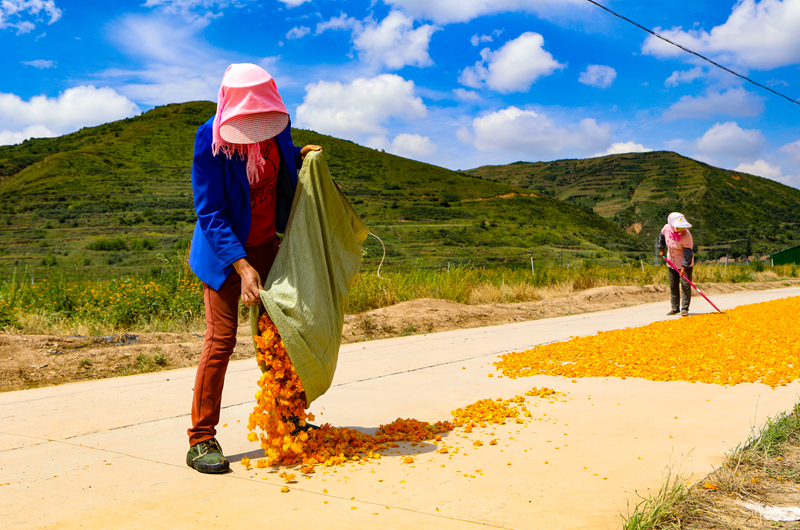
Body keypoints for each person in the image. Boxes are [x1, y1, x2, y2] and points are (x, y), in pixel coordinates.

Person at [186, 63, 321, 474]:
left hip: (268, 246)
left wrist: (302, 157)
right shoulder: (210, 138)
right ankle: (200, 439)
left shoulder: (275, 125)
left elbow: (281, 166)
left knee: (279, 339)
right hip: (225, 253)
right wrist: (242, 266)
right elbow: (210, 212)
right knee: (221, 340)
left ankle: (289, 421)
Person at [658, 212, 694, 317]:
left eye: (682, 227)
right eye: (678, 227)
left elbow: (688, 254)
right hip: (671, 262)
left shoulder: (687, 236)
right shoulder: (666, 229)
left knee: (685, 286)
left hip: (685, 263)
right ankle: (675, 308)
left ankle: (684, 309)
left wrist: (683, 267)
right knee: (673, 286)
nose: (681, 229)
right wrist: (662, 250)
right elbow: (661, 238)